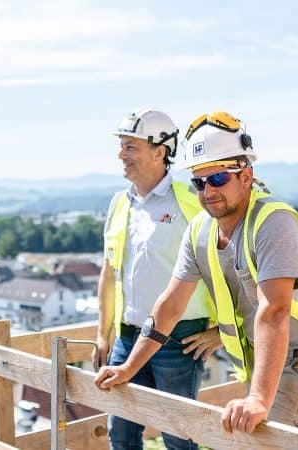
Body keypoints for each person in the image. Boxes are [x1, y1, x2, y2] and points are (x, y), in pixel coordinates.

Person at [95, 110, 298, 436]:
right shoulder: (201, 231)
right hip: (269, 363)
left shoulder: (274, 223)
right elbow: (170, 305)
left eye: (218, 178)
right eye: (199, 182)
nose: (208, 191)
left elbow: (274, 311)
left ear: (246, 176)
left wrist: (258, 398)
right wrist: (129, 368)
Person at [93, 107, 215, 450]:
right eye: (121, 145)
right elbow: (109, 273)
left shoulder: (191, 200)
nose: (121, 154)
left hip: (179, 339)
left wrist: (224, 330)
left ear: (160, 152)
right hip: (128, 336)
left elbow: (226, 263)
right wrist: (102, 337)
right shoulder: (120, 204)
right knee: (121, 433)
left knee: (177, 436)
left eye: (130, 147)